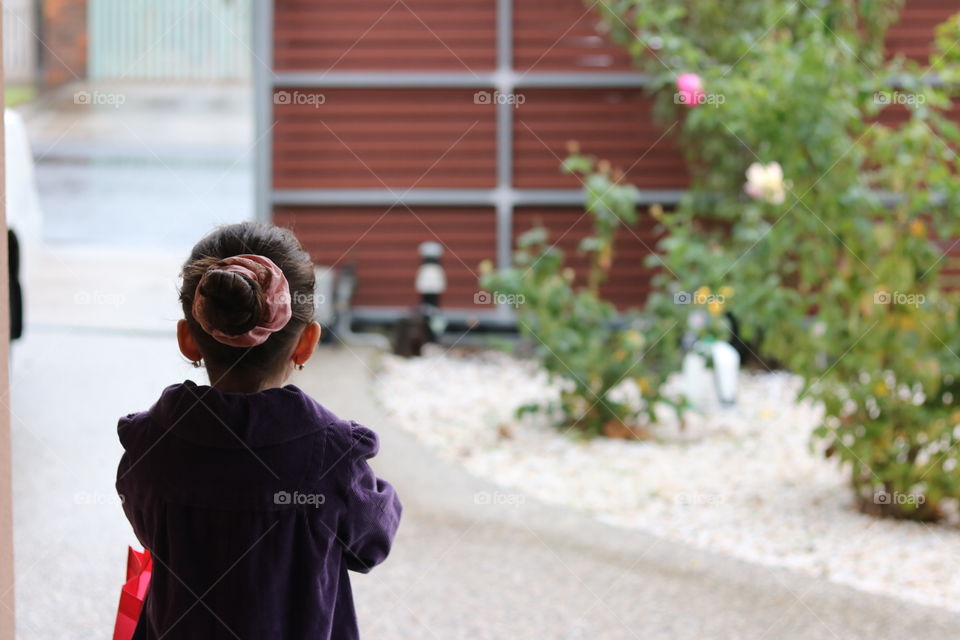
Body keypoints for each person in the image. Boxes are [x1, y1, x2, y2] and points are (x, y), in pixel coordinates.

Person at [116, 222, 401, 639]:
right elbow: (370, 544)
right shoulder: (331, 456)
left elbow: (146, 526)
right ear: (306, 343)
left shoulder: (152, 443)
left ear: (188, 340)